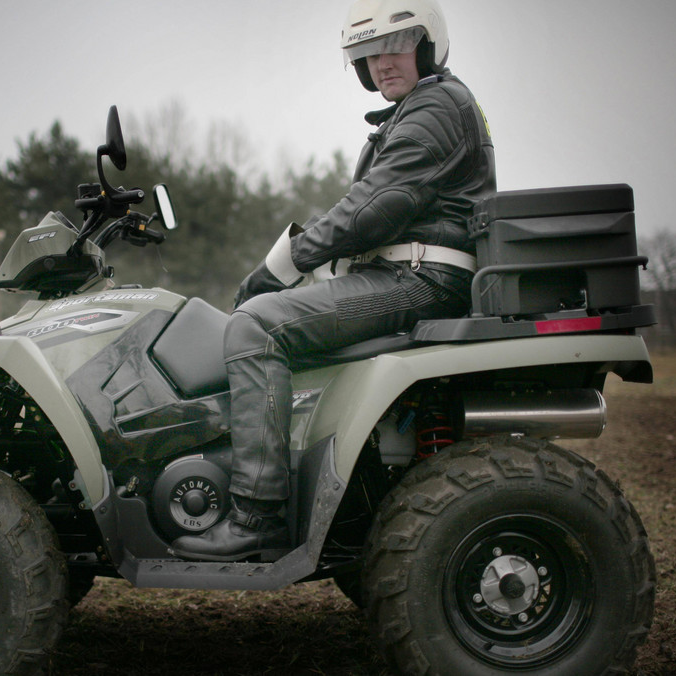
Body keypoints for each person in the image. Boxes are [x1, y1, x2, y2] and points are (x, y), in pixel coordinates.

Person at [172, 0, 496, 561]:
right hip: (406, 270)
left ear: (426, 45)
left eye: (394, 46)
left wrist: (280, 267)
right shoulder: (418, 110)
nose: (381, 63)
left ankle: (256, 513)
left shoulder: (436, 106)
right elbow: (368, 220)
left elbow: (373, 208)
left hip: (423, 277)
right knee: (269, 314)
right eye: (367, 54)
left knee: (255, 328)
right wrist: (304, 267)